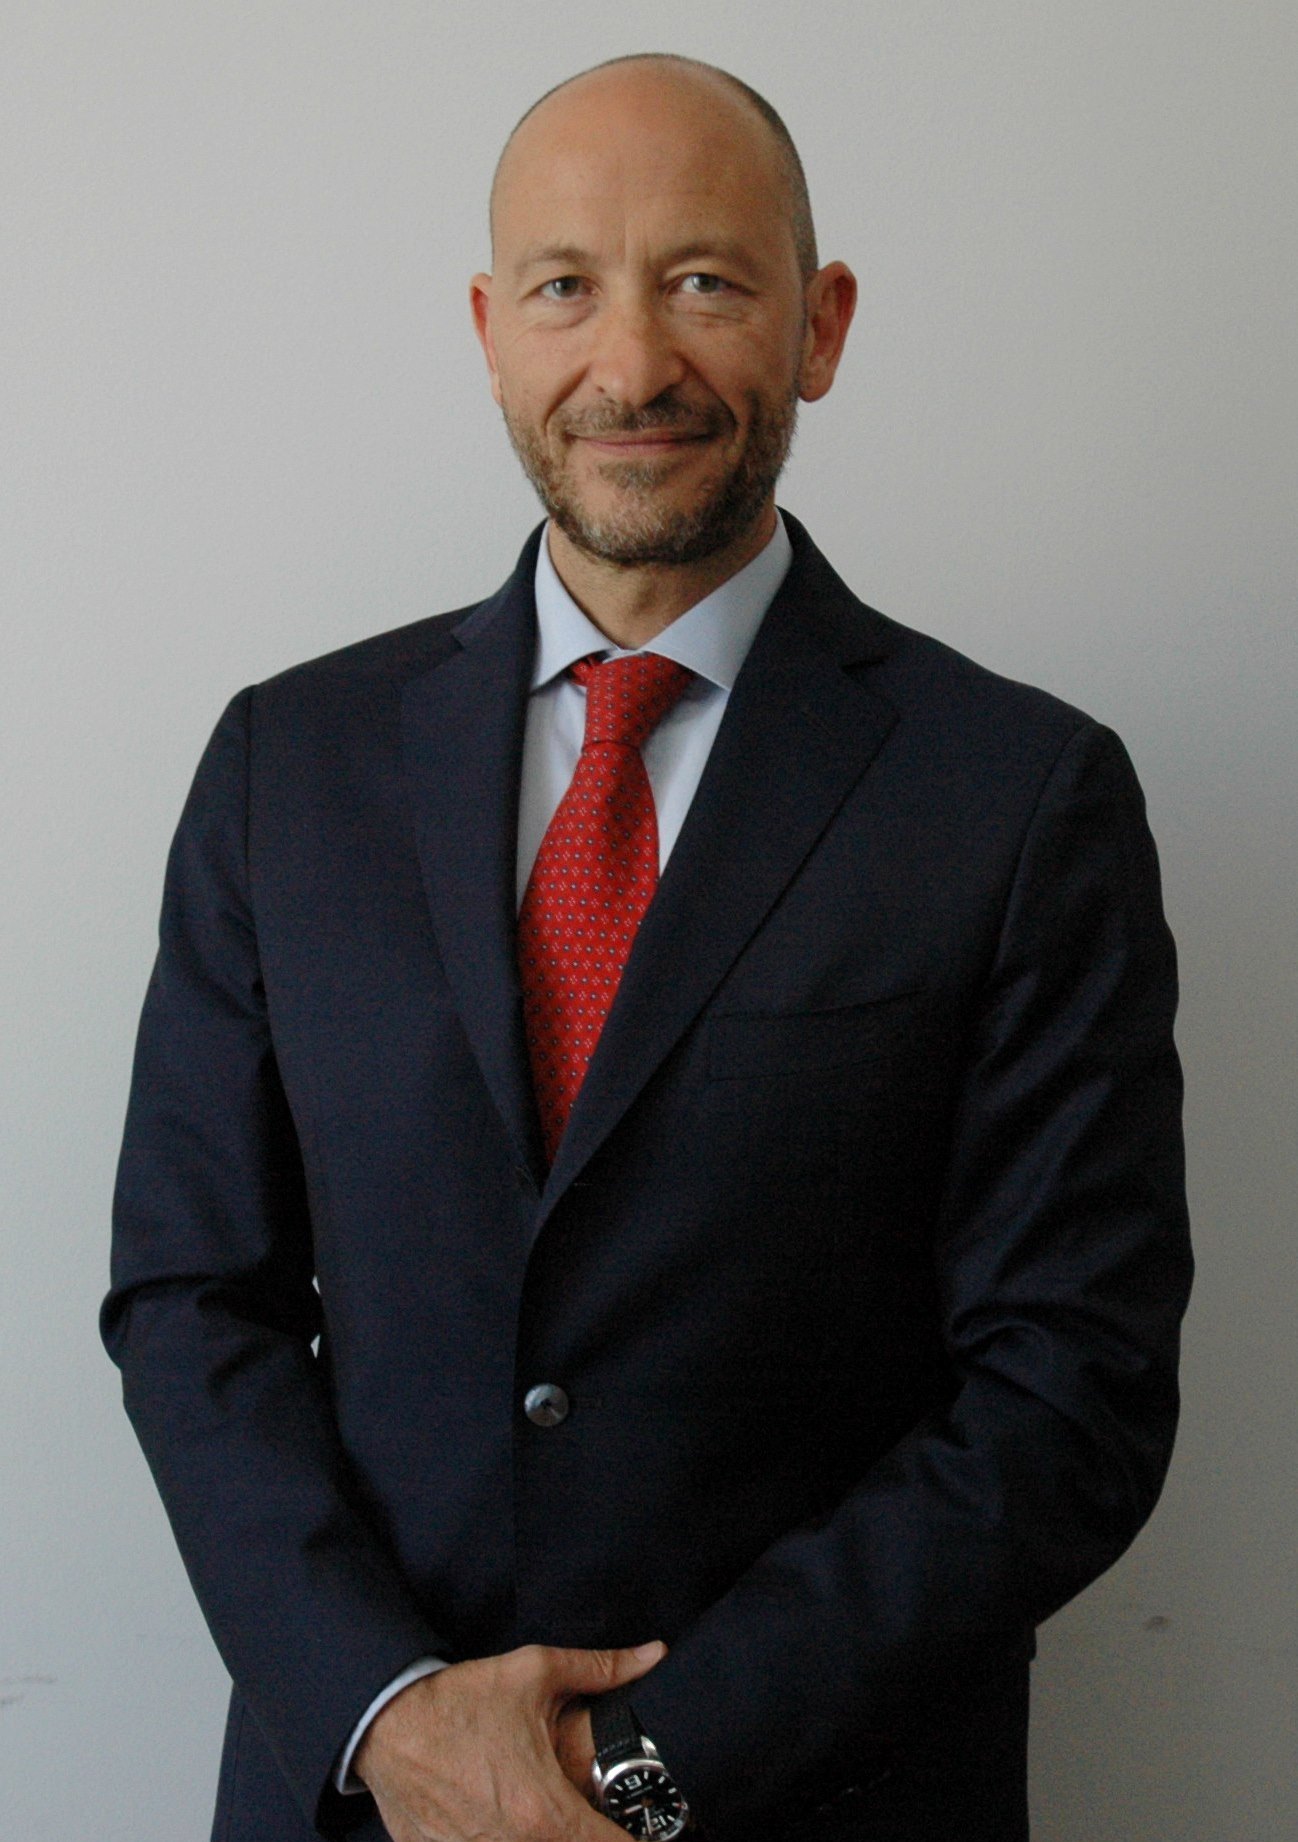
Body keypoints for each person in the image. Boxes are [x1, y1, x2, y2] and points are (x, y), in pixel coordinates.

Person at [102, 52, 1192, 1842]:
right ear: (488, 331)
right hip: (363, 1799)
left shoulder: (1017, 795)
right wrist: (393, 1718)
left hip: (817, 1799)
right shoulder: (283, 765)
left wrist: (635, 1767)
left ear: (819, 326)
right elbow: (188, 1296)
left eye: (703, 280)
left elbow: (1068, 1388)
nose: (629, 364)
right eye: (564, 287)